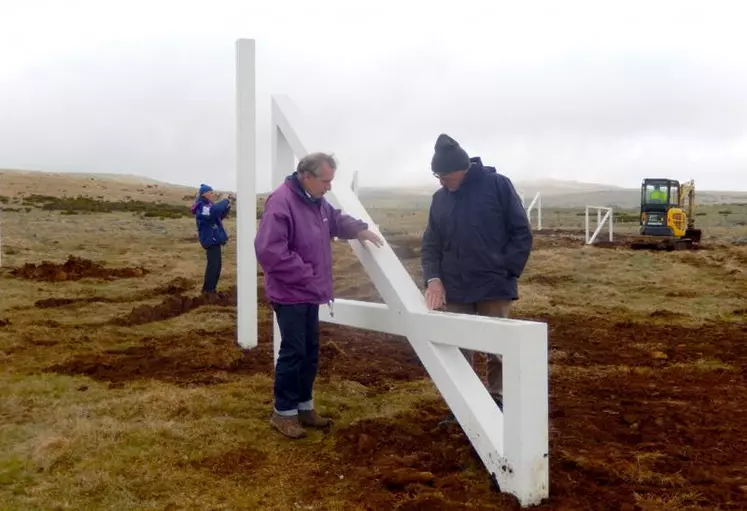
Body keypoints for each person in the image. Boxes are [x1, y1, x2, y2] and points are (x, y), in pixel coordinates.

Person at [254, 152, 383, 439]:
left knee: (310, 351)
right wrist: (306, 274)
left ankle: (304, 407)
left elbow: (334, 219)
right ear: (306, 176)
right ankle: (283, 413)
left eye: (331, 181)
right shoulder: (282, 201)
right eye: (325, 180)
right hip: (290, 294)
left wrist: (359, 229)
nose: (329, 187)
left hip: (309, 292)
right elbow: (269, 251)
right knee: (294, 351)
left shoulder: (316, 202)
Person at [420, 134, 533, 423]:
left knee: (497, 347)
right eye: (438, 175)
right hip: (455, 289)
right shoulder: (440, 199)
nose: (442, 181)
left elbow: (521, 232)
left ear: (462, 168)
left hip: (493, 285)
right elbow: (431, 243)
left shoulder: (497, 186)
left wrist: (506, 269)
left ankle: (498, 401)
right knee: (459, 348)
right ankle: (464, 404)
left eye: (445, 175)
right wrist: (433, 278)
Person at [190, 183, 232, 295]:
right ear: (205, 194)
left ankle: (211, 289)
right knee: (213, 265)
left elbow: (218, 216)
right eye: (211, 192)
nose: (213, 194)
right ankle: (208, 290)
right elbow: (213, 211)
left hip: (214, 239)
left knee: (217, 265)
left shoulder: (208, 205)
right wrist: (224, 200)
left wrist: (227, 207)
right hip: (210, 239)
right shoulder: (202, 206)